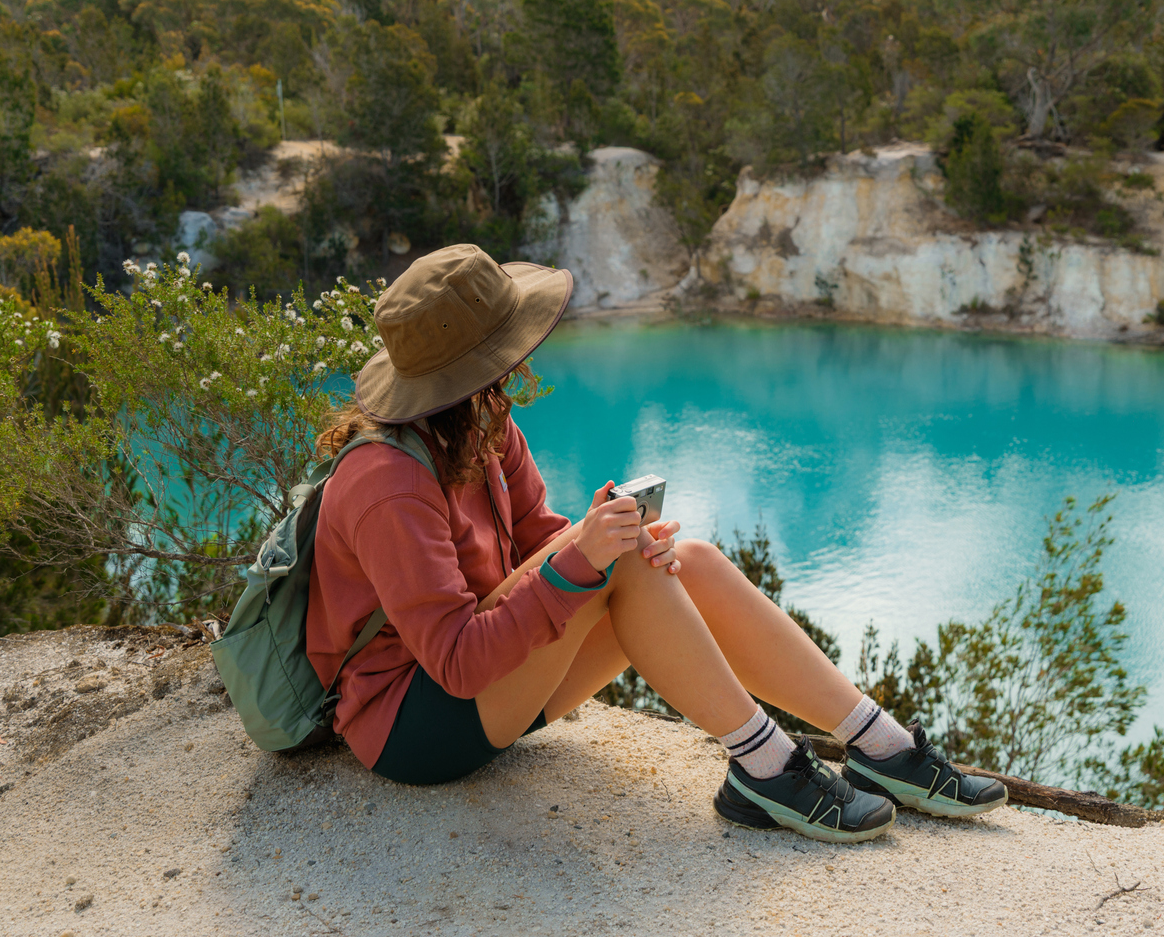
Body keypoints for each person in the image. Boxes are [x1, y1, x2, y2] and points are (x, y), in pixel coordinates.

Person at [307, 244, 1005, 843]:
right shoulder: (386, 483)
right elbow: (457, 662)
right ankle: (766, 769)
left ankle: (880, 745)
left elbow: (539, 546)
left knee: (680, 559)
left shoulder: (482, 425)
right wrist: (585, 559)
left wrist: (602, 541)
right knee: (615, 566)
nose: (516, 368)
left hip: (491, 688)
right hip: (415, 725)